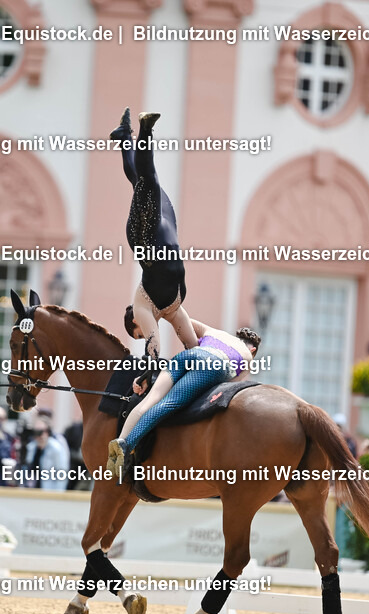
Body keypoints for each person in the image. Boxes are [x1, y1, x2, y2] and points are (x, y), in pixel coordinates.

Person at [108, 317, 260, 475]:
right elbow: (227, 387)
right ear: (253, 350)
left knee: (150, 401)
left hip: (187, 356)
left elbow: (178, 317)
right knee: (168, 404)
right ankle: (127, 446)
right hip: (212, 365)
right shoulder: (248, 359)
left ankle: (121, 439)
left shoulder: (215, 332)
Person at [111, 107, 198, 360]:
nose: (143, 333)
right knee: (141, 181)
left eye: (136, 333)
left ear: (135, 321)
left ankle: (146, 129)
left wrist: (147, 374)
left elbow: (154, 350)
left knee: (148, 180)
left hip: (147, 239)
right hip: (166, 230)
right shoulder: (172, 308)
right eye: (140, 335)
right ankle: (124, 137)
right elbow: (193, 344)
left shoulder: (142, 307)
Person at [26, 420, 69, 491]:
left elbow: (62, 474)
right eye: (36, 432)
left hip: (49, 492)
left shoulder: (56, 449)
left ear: (47, 432)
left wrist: (57, 496)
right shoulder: (31, 447)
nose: (39, 435)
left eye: (41, 431)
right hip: (32, 491)